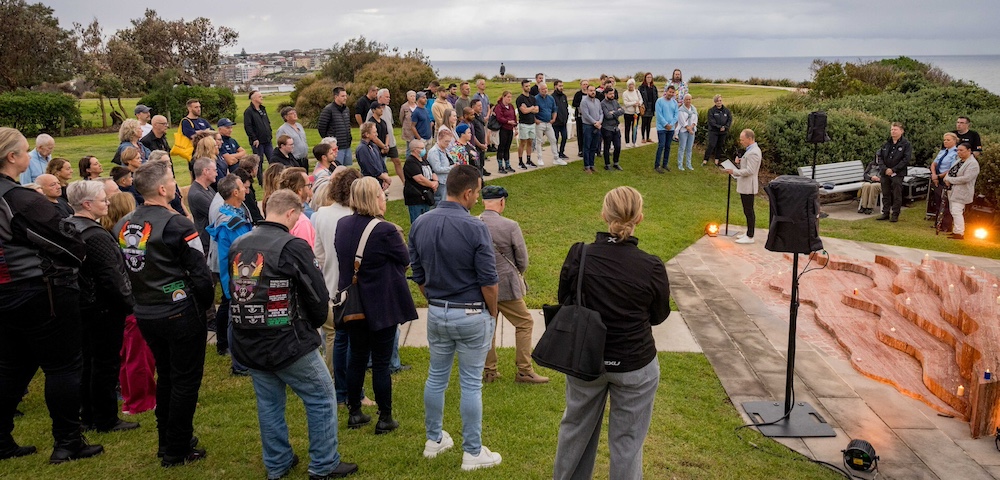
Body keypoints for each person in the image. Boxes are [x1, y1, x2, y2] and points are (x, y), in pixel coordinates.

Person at [228, 189, 359, 480]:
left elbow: (234, 292)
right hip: (287, 339)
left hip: (248, 337)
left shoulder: (239, 243)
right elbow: (317, 294)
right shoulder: (292, 246)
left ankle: (277, 462)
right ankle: (324, 463)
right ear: (290, 213)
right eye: (298, 215)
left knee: (269, 402)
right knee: (322, 396)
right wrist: (312, 325)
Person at [552, 186, 671, 480]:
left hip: (587, 358)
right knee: (627, 443)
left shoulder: (581, 255)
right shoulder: (651, 265)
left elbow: (564, 298)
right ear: (639, 218)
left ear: (604, 215)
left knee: (575, 432)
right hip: (634, 363)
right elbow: (658, 315)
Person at [0, 128, 103, 464]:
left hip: (7, 292)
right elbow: (71, 244)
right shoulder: (21, 200)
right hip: (39, 290)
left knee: (14, 365)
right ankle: (67, 442)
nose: (28, 153)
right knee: (63, 366)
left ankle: (2, 440)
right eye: (24, 149)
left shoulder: (18, 196)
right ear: (13, 157)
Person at [115, 160, 213, 467]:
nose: (175, 185)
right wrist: (204, 304)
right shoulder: (178, 224)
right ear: (161, 188)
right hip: (178, 311)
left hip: (146, 311)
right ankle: (177, 448)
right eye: (171, 180)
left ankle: (168, 439)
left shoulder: (123, 222)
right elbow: (200, 272)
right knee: (184, 380)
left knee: (168, 375)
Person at [408, 165, 502, 471]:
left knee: (437, 377)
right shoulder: (475, 227)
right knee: (471, 384)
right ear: (469, 192)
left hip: (438, 312)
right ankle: (472, 452)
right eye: (477, 192)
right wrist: (493, 311)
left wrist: (434, 299)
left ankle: (434, 440)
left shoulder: (420, 223)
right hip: (472, 312)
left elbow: (418, 274)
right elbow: (489, 281)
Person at [335, 177, 417, 434]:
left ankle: (355, 411)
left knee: (357, 356)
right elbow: (405, 258)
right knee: (381, 362)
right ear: (375, 199)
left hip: (354, 302)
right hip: (382, 302)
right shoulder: (385, 230)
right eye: (382, 195)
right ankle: (385, 416)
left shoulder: (343, 224)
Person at [65, 180, 139, 433]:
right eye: (102, 200)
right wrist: (130, 304)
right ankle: (105, 418)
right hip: (102, 308)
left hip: (81, 305)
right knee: (105, 364)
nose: (107, 203)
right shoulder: (95, 235)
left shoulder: (69, 226)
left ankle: (88, 413)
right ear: (87, 204)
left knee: (88, 362)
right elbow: (112, 276)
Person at [479, 186, 549, 384]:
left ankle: (489, 371)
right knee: (525, 323)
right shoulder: (510, 226)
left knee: (489, 326)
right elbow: (522, 259)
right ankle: (524, 371)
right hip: (506, 285)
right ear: (502, 202)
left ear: (483, 201)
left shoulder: (474, 223)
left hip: (482, 286)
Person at [101, 193, 156, 416]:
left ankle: (131, 396)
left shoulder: (109, 233)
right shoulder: (123, 236)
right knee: (138, 356)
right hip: (133, 301)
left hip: (119, 304)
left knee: (127, 355)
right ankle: (140, 401)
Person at [207, 174, 253, 375]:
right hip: (238, 278)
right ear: (235, 192)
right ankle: (240, 365)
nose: (246, 188)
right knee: (237, 320)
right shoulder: (233, 222)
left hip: (231, 276)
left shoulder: (227, 212)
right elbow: (245, 251)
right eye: (242, 186)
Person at [724, 129, 763, 244]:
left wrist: (734, 171)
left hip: (748, 186)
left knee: (749, 210)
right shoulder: (750, 150)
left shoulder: (754, 152)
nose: (741, 142)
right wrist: (740, 161)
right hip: (745, 184)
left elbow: (751, 170)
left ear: (749, 139)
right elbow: (748, 164)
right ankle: (748, 233)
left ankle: (750, 236)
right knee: (747, 210)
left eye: (742, 139)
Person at [943, 143, 980, 240]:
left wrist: (950, 180)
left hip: (962, 191)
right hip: (952, 190)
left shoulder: (972, 163)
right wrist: (946, 179)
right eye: (958, 150)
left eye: (961, 150)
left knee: (956, 211)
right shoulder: (959, 161)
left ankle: (959, 233)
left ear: (969, 150)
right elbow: (950, 172)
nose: (959, 152)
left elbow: (966, 178)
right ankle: (956, 231)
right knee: (953, 210)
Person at [875, 122, 912, 222]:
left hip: (897, 173)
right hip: (885, 172)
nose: (893, 131)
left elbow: (906, 159)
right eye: (892, 129)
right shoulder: (886, 143)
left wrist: (894, 169)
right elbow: (880, 157)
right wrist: (884, 169)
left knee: (897, 194)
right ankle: (885, 213)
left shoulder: (906, 144)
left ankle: (895, 214)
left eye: (895, 129)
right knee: (885, 193)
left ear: (901, 131)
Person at [366, 89, 403, 178]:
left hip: (390, 141)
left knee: (397, 161)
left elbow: (390, 125)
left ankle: (405, 183)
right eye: (387, 97)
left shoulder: (388, 109)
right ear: (380, 97)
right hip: (379, 143)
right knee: (381, 164)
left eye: (389, 97)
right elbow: (368, 127)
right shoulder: (372, 111)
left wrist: (388, 143)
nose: (389, 99)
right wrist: (383, 146)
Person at [277, 167, 316, 246]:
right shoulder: (301, 221)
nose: (310, 189)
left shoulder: (276, 212)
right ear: (300, 190)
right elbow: (305, 253)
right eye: (308, 185)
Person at [926, 132, 960, 222]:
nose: (945, 142)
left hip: (945, 178)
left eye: (948, 140)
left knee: (946, 202)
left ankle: (945, 224)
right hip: (936, 177)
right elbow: (934, 163)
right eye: (944, 140)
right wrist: (934, 175)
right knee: (937, 200)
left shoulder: (956, 153)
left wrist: (938, 176)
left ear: (954, 141)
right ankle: (937, 221)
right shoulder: (942, 151)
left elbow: (951, 168)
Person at [403, 139, 438, 222]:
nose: (424, 150)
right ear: (415, 149)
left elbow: (432, 172)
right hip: (416, 198)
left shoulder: (424, 160)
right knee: (417, 221)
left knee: (426, 221)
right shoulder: (410, 162)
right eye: (422, 148)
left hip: (426, 197)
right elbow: (420, 179)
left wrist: (436, 182)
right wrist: (432, 184)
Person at [188, 157, 218, 253]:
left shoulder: (207, 188)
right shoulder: (197, 195)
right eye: (214, 170)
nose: (216, 174)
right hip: (207, 243)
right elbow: (217, 213)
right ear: (205, 171)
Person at [318, 87, 353, 166]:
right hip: (336, 148)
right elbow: (321, 127)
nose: (345, 98)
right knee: (337, 169)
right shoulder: (328, 110)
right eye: (342, 96)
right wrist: (330, 142)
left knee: (347, 169)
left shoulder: (346, 109)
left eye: (345, 96)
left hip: (347, 145)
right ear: (336, 97)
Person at [244, 90, 274, 183]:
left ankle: (274, 178)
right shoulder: (249, 111)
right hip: (258, 142)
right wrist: (254, 138)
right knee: (259, 162)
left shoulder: (262, 109)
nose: (262, 98)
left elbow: (267, 122)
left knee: (273, 160)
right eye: (260, 97)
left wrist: (270, 132)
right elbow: (248, 126)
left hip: (267, 140)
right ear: (254, 98)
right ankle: (262, 181)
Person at [534, 83, 565, 166]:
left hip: (548, 123)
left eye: (546, 88)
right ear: (539, 90)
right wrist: (535, 120)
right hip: (540, 123)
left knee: (553, 139)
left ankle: (556, 158)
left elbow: (554, 109)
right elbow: (533, 110)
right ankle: (540, 158)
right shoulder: (536, 99)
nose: (545, 90)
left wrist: (553, 119)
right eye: (543, 89)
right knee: (539, 141)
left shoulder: (551, 98)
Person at [356, 122, 391, 191]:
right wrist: (386, 178)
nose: (376, 134)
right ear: (367, 134)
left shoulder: (373, 146)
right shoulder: (362, 149)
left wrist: (385, 176)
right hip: (370, 183)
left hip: (379, 180)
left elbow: (381, 162)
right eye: (374, 132)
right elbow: (370, 168)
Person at [654, 86, 678, 173]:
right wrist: (665, 124)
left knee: (668, 146)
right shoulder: (659, 101)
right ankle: (657, 165)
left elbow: (676, 115)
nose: (671, 94)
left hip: (671, 129)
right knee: (661, 146)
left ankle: (665, 164)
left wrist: (671, 125)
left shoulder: (674, 102)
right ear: (666, 91)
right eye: (670, 92)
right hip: (661, 128)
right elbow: (659, 115)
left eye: (672, 92)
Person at [516, 79, 540, 168]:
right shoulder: (520, 99)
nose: (528, 88)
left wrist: (529, 108)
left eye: (529, 86)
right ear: (522, 87)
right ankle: (520, 161)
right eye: (526, 86)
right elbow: (524, 111)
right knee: (523, 142)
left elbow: (537, 110)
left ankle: (529, 160)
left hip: (532, 123)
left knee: (530, 141)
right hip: (524, 123)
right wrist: (531, 108)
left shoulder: (533, 98)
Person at [427, 129, 455, 205]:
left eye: (449, 141)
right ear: (439, 138)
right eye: (446, 141)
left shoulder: (445, 150)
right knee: (440, 203)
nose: (448, 144)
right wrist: (452, 168)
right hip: (440, 182)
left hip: (446, 180)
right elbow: (437, 168)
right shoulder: (434, 152)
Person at [579, 85, 602, 174]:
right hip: (588, 126)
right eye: (591, 90)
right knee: (587, 146)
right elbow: (586, 115)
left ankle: (592, 165)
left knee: (594, 146)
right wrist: (595, 123)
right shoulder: (584, 102)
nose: (593, 92)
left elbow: (601, 112)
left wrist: (599, 121)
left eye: (594, 91)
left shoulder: (597, 101)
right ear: (587, 91)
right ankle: (587, 166)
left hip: (597, 126)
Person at [704, 95, 732, 166]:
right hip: (714, 131)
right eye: (717, 101)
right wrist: (719, 127)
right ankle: (705, 159)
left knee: (720, 145)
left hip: (723, 132)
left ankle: (717, 159)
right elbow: (711, 122)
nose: (719, 102)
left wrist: (725, 127)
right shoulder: (711, 111)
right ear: (715, 102)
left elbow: (729, 120)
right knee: (712, 145)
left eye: (720, 100)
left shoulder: (726, 111)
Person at [600, 88, 624, 171]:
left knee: (618, 146)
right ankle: (607, 164)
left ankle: (616, 163)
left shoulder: (615, 101)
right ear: (606, 94)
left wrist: (613, 112)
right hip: (607, 128)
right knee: (607, 147)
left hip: (616, 128)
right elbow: (607, 116)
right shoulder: (603, 104)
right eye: (610, 94)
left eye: (613, 93)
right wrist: (617, 112)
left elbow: (622, 110)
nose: (612, 95)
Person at [494, 91, 517, 172]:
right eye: (508, 97)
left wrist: (515, 126)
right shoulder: (499, 106)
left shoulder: (510, 106)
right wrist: (507, 121)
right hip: (502, 129)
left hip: (510, 129)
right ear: (503, 97)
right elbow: (499, 117)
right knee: (501, 147)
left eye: (510, 97)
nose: (509, 99)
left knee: (507, 147)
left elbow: (514, 116)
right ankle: (500, 166)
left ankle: (507, 164)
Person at [675, 94, 698, 170]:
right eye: (686, 99)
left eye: (689, 99)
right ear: (684, 100)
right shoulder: (681, 110)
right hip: (683, 131)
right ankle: (680, 164)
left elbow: (695, 119)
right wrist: (689, 129)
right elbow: (682, 122)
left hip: (692, 130)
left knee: (689, 148)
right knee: (682, 147)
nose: (688, 101)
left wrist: (692, 127)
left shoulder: (694, 109)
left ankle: (689, 164)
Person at [621, 78, 643, 148]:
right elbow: (626, 103)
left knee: (635, 128)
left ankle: (634, 141)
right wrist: (633, 103)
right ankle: (627, 142)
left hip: (636, 113)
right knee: (627, 128)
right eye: (630, 85)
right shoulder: (625, 93)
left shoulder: (637, 91)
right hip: (628, 113)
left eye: (632, 84)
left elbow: (641, 100)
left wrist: (638, 103)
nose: (631, 86)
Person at [552, 80, 570, 159]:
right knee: (555, 138)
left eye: (562, 86)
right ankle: (556, 153)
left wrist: (566, 116)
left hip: (563, 122)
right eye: (559, 86)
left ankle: (561, 152)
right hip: (555, 122)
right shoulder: (552, 97)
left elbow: (566, 107)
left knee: (565, 137)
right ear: (555, 86)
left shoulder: (564, 96)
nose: (561, 87)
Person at [572, 80, 590, 156]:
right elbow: (574, 103)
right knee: (580, 133)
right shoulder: (578, 94)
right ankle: (580, 150)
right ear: (581, 85)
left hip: (589, 116)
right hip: (580, 116)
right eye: (584, 84)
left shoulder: (590, 94)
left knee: (588, 133)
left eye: (586, 84)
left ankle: (588, 149)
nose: (585, 86)